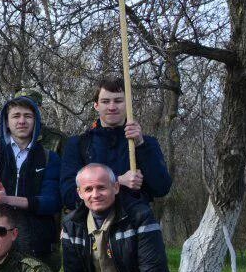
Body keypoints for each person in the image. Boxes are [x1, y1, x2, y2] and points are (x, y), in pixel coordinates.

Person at [0, 94, 62, 269]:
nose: (22, 121)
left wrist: (9, 200)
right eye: (16, 116)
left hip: (36, 248)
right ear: (7, 121)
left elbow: (52, 202)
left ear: (36, 121)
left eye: (28, 116)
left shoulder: (49, 158)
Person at [59, 76, 172, 211]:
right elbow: (69, 196)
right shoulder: (78, 144)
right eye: (105, 101)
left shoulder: (146, 143)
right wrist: (117, 181)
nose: (112, 107)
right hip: (92, 227)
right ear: (96, 105)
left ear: (128, 104)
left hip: (137, 225)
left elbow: (162, 188)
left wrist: (141, 146)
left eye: (118, 101)